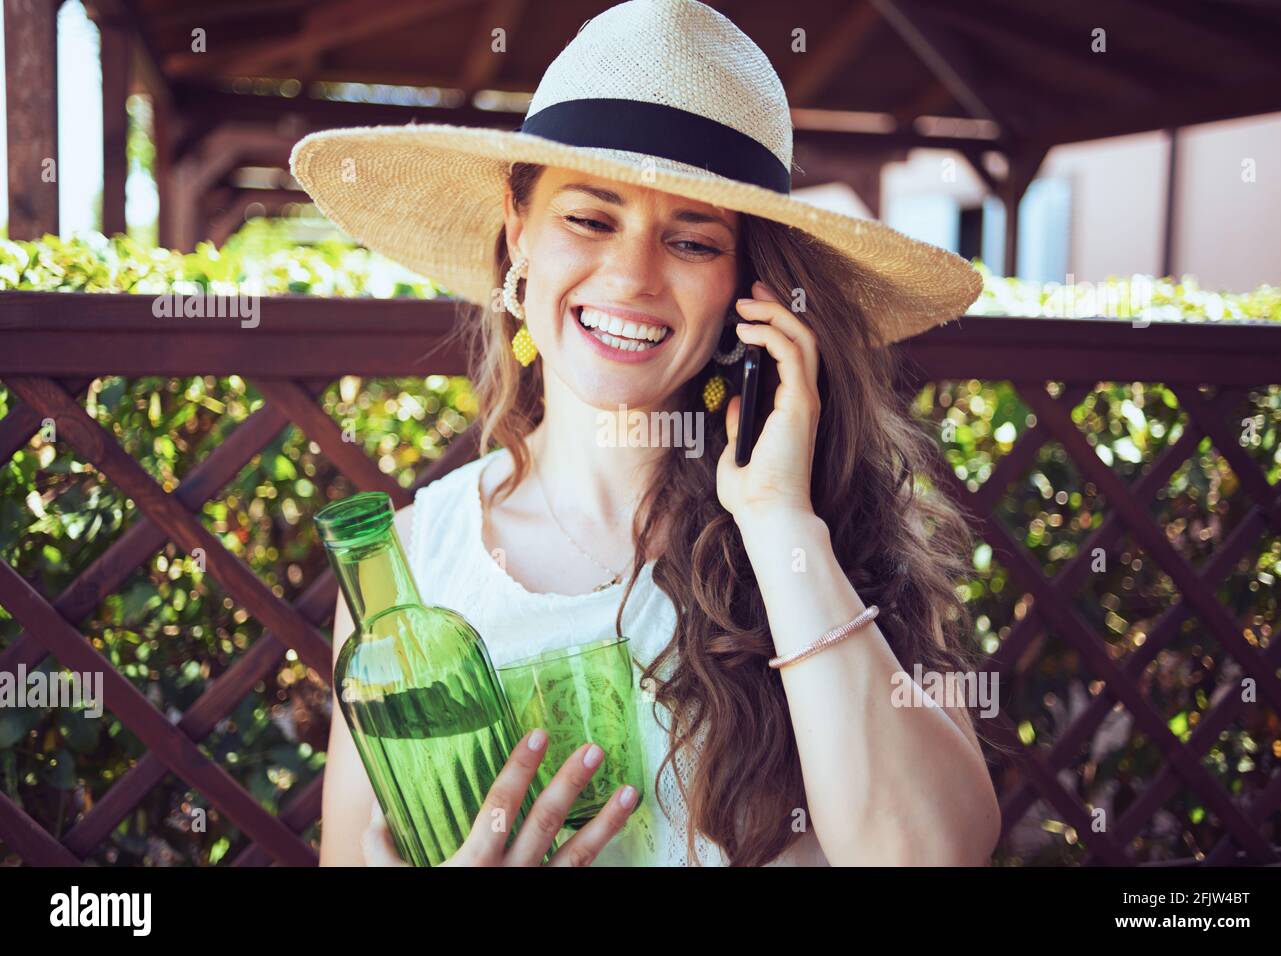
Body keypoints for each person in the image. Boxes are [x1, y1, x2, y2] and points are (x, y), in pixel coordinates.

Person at [293, 0, 1000, 866]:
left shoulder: (832, 532)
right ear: (519, 230)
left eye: (693, 240)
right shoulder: (408, 570)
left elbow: (929, 856)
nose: (631, 277)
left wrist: (779, 520)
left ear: (750, 285)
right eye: (590, 220)